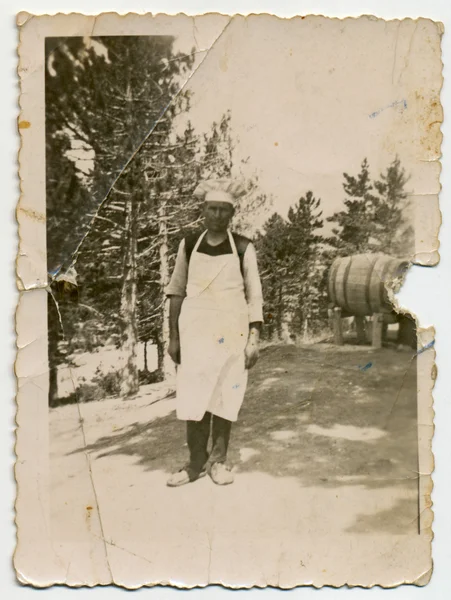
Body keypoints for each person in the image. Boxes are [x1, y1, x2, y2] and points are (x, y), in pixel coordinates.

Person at [165, 179, 263, 487]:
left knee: (225, 395)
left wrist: (253, 339)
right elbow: (176, 291)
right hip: (194, 335)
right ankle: (195, 464)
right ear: (203, 211)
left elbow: (255, 296)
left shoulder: (244, 247)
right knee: (195, 396)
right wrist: (173, 337)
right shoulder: (189, 244)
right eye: (212, 209)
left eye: (224, 210)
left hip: (231, 335)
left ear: (232, 213)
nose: (218, 215)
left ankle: (218, 462)